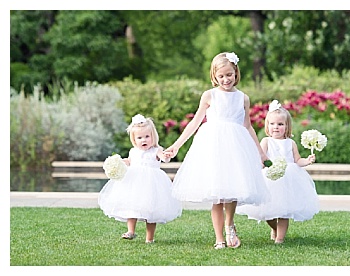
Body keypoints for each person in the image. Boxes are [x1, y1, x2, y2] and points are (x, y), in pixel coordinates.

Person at [165, 52, 269, 250]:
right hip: (213, 147)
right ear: (214, 76)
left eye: (229, 75)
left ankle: (230, 224)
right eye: (221, 76)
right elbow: (195, 122)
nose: (225, 79)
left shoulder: (243, 98)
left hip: (236, 147)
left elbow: (247, 126)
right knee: (217, 194)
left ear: (236, 73)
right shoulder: (209, 95)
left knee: (232, 191)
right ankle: (219, 238)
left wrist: (260, 153)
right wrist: (176, 145)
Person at [236, 100, 319, 244]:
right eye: (272, 124)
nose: (276, 127)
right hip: (270, 178)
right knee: (267, 212)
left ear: (287, 127)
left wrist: (307, 160)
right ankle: (274, 229)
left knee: (284, 212)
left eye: (280, 124)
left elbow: (297, 160)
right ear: (267, 125)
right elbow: (260, 159)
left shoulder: (290, 143)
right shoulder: (266, 141)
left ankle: (280, 238)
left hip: (288, 179)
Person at [98, 114, 182, 244]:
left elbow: (164, 158)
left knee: (152, 211)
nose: (144, 140)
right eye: (140, 137)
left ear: (152, 136)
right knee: (131, 206)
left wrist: (166, 156)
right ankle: (131, 231)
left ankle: (150, 238)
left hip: (151, 184)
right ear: (134, 139)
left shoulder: (156, 150)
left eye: (147, 136)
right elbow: (130, 161)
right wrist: (120, 162)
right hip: (135, 183)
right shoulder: (134, 151)